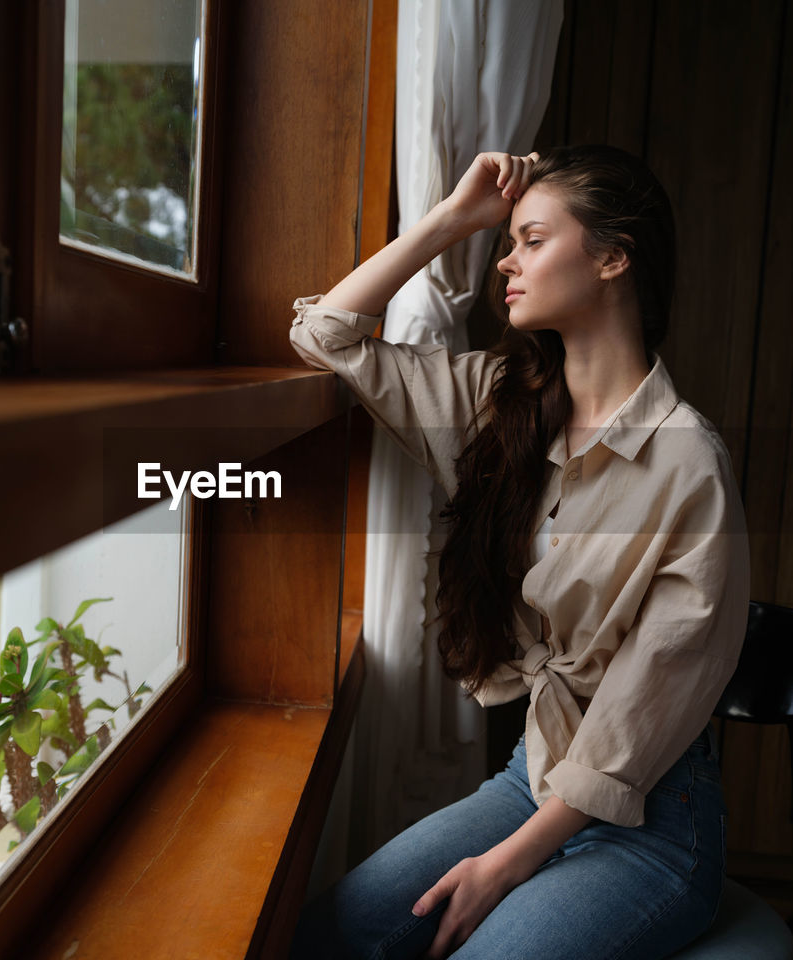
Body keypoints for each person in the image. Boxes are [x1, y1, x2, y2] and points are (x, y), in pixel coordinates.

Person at [286, 145, 750, 960]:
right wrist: (451, 219)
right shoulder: (497, 404)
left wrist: (502, 870)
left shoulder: (688, 464)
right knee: (328, 938)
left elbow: (636, 728)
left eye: (532, 239)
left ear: (612, 257)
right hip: (528, 780)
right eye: (510, 240)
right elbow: (329, 337)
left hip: (651, 819)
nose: (507, 258)